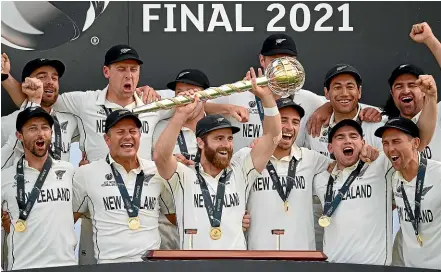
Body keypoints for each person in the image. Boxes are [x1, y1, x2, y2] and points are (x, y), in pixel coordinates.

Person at [153, 68, 281, 249]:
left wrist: (266, 98)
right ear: (200, 143)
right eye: (218, 139)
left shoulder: (241, 169)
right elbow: (160, 157)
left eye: (229, 138)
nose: (226, 145)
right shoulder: (183, 175)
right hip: (194, 266)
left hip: (235, 266)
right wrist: (180, 114)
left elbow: (273, 137)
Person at [72, 109, 175, 263]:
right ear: (107, 139)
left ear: (140, 135)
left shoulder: (157, 171)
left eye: (133, 131)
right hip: (110, 266)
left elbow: (176, 218)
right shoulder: (86, 174)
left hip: (150, 267)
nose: (128, 136)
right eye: (120, 132)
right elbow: (67, 222)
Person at [212, 34, 326, 151]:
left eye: (287, 61)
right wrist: (228, 108)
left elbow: (341, 106)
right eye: (275, 61)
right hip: (245, 167)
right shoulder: (239, 93)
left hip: (289, 167)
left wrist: (327, 107)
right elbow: (200, 104)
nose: (282, 67)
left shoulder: (308, 99)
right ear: (262, 60)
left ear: (295, 63)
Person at [1, 107, 77, 270]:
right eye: (32, 128)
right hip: (23, 266)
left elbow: (81, 210)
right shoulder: (5, 178)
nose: (40, 134)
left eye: (45, 128)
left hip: (66, 265)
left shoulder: (69, 170)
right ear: (19, 135)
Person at [313, 119, 393, 265]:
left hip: (374, 267)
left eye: (353, 136)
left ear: (363, 143)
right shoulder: (320, 179)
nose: (347, 141)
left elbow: (408, 149)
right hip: (333, 266)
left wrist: (378, 151)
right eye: (340, 137)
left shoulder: (380, 165)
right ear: (330, 147)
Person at [152, 69, 211, 250]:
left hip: (207, 225)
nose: (184, 98)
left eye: (191, 92)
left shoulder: (218, 128)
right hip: (166, 227)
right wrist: (167, 165)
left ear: (206, 97)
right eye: (179, 93)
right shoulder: (159, 127)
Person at [375, 117, 441, 269]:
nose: (390, 148)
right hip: (409, 265)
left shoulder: (438, 174)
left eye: (396, 141)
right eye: (385, 143)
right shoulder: (392, 178)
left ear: (415, 143)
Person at [1, 57, 79, 168]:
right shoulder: (6, 124)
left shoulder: (70, 121)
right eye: (42, 77)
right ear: (26, 84)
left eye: (54, 78)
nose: (50, 82)